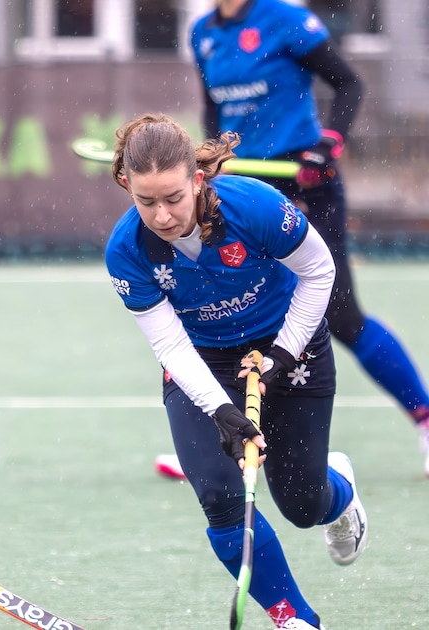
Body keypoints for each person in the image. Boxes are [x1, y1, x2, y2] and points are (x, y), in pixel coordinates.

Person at [105, 113, 367, 630]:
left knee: (302, 505)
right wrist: (220, 408)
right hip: (205, 360)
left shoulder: (257, 207)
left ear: (198, 180)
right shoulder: (126, 252)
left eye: (173, 198)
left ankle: (339, 495)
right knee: (221, 496)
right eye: (146, 201)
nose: (161, 215)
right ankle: (295, 618)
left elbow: (319, 272)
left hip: (289, 343)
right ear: (125, 186)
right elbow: (171, 346)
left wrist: (286, 354)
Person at [154, 0, 429, 480]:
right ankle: (212, 438)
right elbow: (212, 108)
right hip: (238, 193)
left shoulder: (284, 19)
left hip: (304, 185)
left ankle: (426, 418)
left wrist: (327, 145)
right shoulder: (202, 33)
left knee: (341, 317)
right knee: (221, 313)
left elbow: (348, 83)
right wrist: (214, 158)